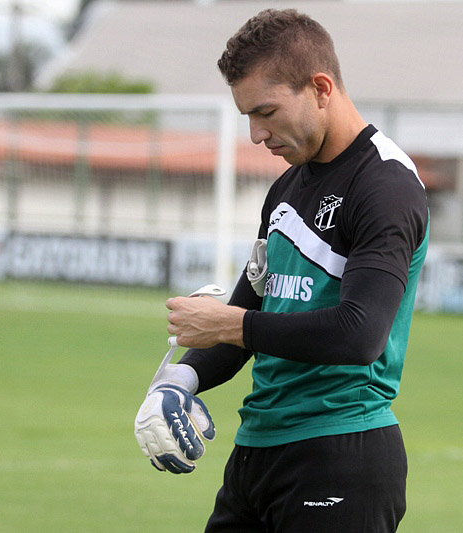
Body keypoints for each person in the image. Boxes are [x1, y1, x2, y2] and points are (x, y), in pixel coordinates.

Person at [135, 8, 429, 532]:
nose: (255, 134)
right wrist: (179, 381)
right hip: (256, 456)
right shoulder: (286, 189)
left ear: (320, 87)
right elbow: (252, 311)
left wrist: (224, 322)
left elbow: (360, 333)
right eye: (247, 115)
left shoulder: (385, 184)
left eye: (265, 111)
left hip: (340, 454)